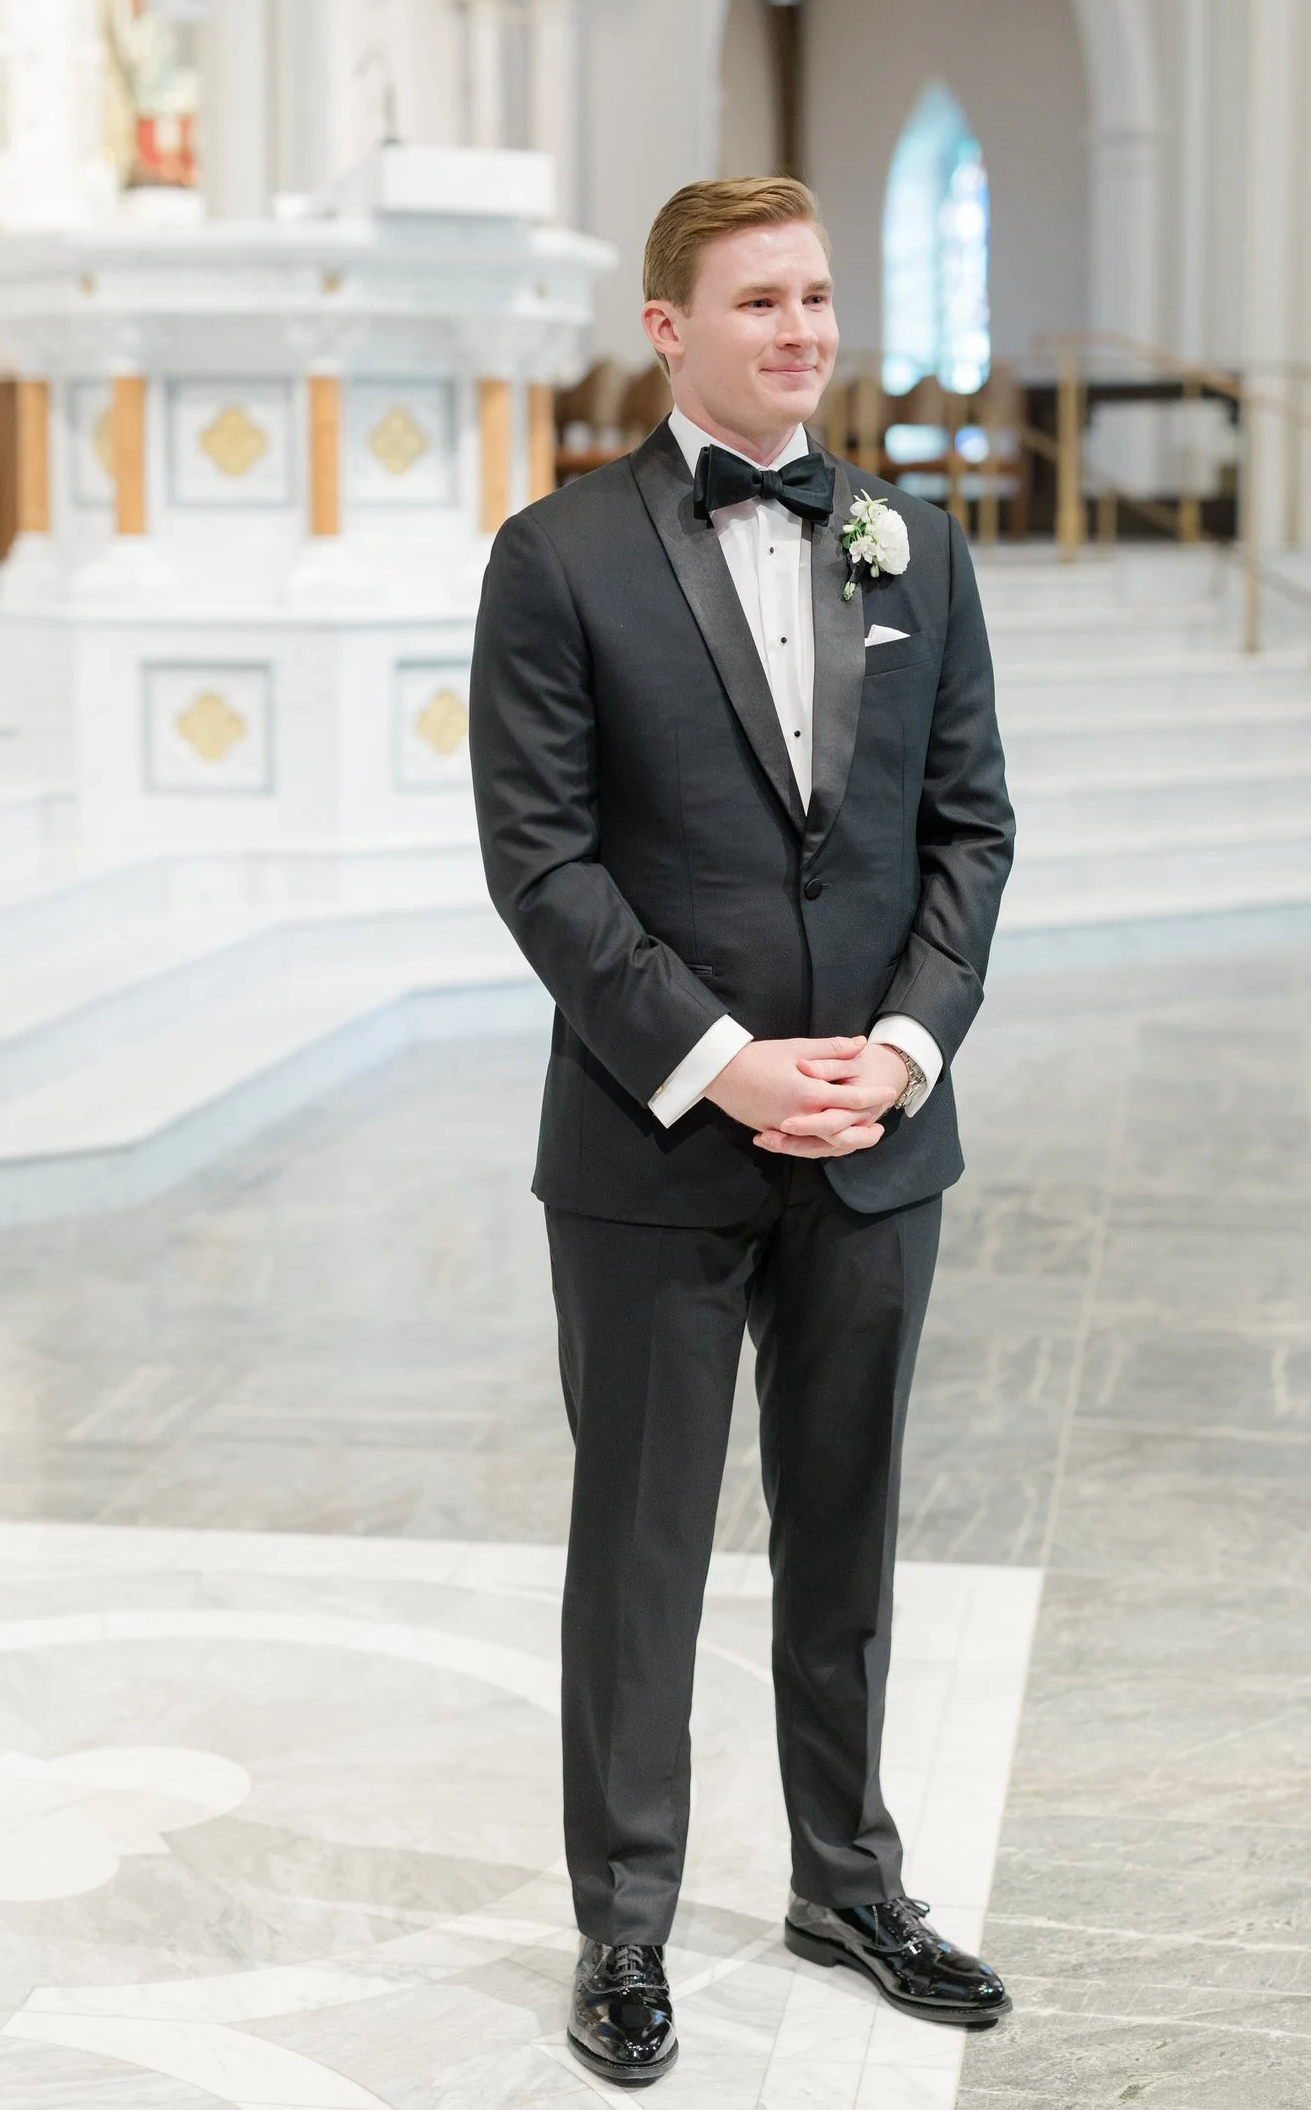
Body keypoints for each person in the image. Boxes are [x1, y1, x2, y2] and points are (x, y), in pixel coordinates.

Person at [470, 176, 1016, 2087]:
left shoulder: (916, 548)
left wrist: (903, 1047)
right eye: (761, 300)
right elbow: (539, 866)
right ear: (666, 327)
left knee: (848, 1529)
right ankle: (624, 1928)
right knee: (639, 1548)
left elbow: (970, 832)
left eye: (818, 298)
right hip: (653, 1144)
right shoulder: (558, 558)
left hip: (876, 1140)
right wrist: (721, 1060)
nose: (802, 329)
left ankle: (847, 1879)